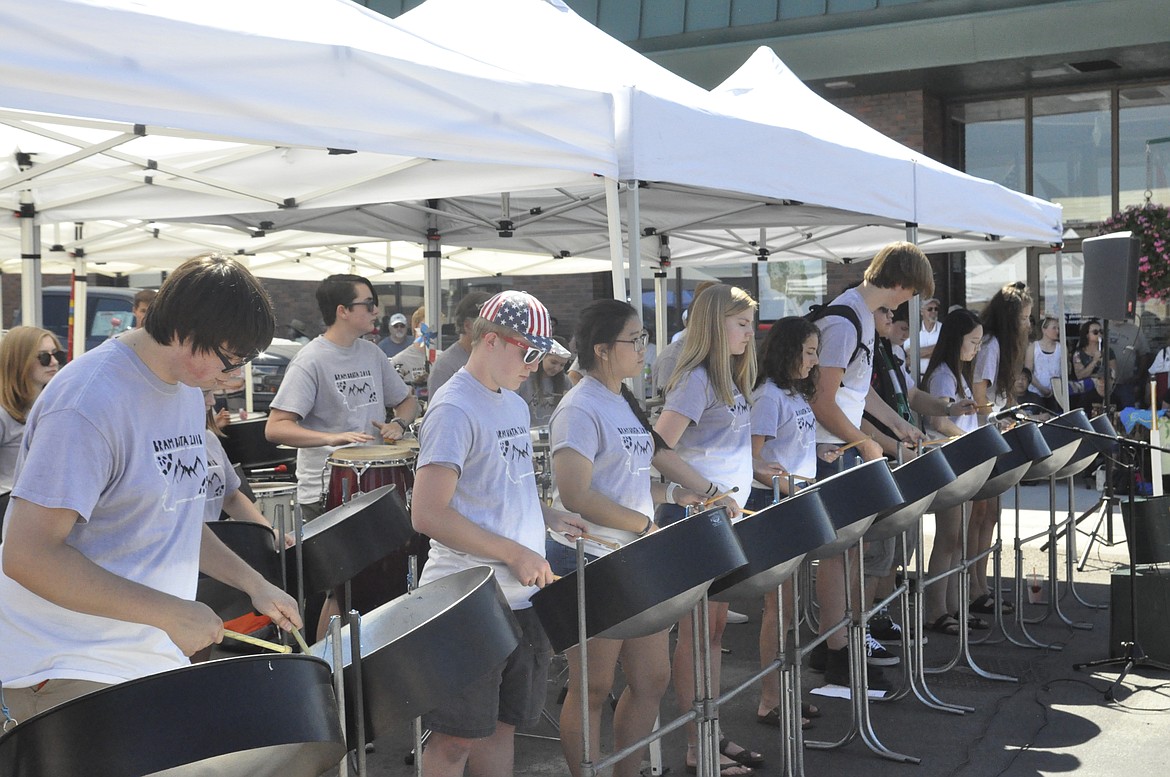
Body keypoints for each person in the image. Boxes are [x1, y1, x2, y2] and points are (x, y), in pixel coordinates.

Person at [0, 253, 301, 725]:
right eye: (230, 360)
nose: (236, 376)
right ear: (184, 329)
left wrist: (253, 583)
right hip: (69, 664)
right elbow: (27, 555)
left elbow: (171, 511)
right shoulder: (86, 405)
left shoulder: (182, 389)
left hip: (144, 652)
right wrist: (171, 612)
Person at [410, 289, 586, 777]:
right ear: (491, 340)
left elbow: (505, 484)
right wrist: (513, 551)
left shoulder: (511, 403)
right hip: (466, 601)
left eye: (541, 354)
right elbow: (427, 514)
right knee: (454, 741)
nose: (535, 364)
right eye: (529, 352)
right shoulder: (453, 409)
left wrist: (547, 516)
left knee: (504, 727)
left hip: (523, 596)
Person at [548, 299, 720, 777]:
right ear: (603, 349)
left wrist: (684, 492)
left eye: (644, 339)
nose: (644, 348)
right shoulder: (578, 408)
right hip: (592, 557)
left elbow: (627, 474)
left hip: (633, 554)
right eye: (635, 339)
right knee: (594, 686)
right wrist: (645, 525)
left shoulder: (622, 397)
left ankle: (627, 770)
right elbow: (577, 494)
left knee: (651, 678)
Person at [807, 241, 932, 691]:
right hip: (828, 450)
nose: (909, 301)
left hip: (841, 446)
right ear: (899, 283)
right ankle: (837, 650)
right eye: (911, 291)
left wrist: (898, 425)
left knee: (848, 552)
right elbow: (823, 401)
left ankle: (836, 641)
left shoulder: (859, 317)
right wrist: (864, 442)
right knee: (838, 555)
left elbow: (856, 391)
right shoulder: (846, 319)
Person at [653, 283, 760, 775]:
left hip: (722, 523)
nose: (749, 333)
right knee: (697, 634)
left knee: (713, 631)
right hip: (698, 524)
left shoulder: (728, 378)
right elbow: (657, 447)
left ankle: (711, 731)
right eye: (741, 324)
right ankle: (698, 744)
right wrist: (703, 489)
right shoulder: (696, 379)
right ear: (715, 324)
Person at [265, 274, 418, 522]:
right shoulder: (310, 360)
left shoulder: (372, 353)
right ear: (343, 311)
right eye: (368, 304)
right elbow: (275, 427)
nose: (375, 310)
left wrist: (398, 424)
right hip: (326, 489)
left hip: (376, 483)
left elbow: (408, 402)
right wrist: (331, 438)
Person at [746, 316, 836, 732]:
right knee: (777, 610)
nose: (815, 360)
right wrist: (783, 480)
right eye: (810, 352)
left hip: (796, 500)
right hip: (774, 503)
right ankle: (770, 699)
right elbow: (753, 458)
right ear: (789, 351)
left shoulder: (794, 394)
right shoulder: (768, 397)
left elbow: (792, 448)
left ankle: (786, 692)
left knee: (790, 610)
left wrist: (821, 457)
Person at [970, 281, 1033, 620]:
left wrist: (1017, 412)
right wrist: (997, 421)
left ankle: (981, 584)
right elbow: (980, 395)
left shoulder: (1004, 347)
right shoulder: (992, 344)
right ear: (1011, 318)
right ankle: (972, 588)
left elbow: (1003, 396)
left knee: (990, 516)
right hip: (982, 438)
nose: (1028, 324)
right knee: (979, 515)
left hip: (995, 436)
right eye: (1024, 318)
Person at [921, 309, 985, 635]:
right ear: (956, 339)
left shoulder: (959, 374)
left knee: (959, 539)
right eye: (973, 341)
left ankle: (955, 606)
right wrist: (969, 439)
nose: (976, 348)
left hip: (964, 463)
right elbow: (938, 421)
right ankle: (936, 610)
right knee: (948, 539)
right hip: (948, 463)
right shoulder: (944, 375)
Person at [0, 327, 65, 492]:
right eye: (43, 357)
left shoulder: (55, 405)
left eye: (57, 354)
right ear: (19, 361)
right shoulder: (3, 413)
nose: (54, 362)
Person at [427, 291, 492, 397]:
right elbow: (440, 411)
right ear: (467, 325)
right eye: (487, 324)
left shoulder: (502, 359)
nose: (495, 329)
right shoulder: (445, 366)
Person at [518, 335, 571, 426]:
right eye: (553, 362)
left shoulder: (566, 382)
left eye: (562, 365)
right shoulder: (525, 377)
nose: (557, 368)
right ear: (542, 356)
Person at [1070, 318, 1117, 411]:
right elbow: (1080, 375)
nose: (1099, 334)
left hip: (1103, 387)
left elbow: (1113, 372)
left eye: (1101, 331)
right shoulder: (1078, 353)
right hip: (1085, 390)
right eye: (1095, 332)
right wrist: (1095, 360)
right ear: (1087, 335)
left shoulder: (1108, 351)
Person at [1024, 315, 1064, 411]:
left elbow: (1063, 370)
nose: (1057, 331)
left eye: (1058, 328)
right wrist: (1041, 388)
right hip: (1036, 391)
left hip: (1056, 392)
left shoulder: (1061, 347)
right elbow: (1028, 371)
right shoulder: (1033, 347)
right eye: (1054, 328)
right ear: (1044, 330)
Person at [918, 296, 942, 374]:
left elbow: (946, 352)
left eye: (936, 309)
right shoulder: (914, 331)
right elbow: (906, 357)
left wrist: (917, 354)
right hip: (916, 377)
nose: (933, 311)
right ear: (922, 312)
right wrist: (936, 350)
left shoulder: (944, 329)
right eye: (930, 309)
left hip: (937, 376)